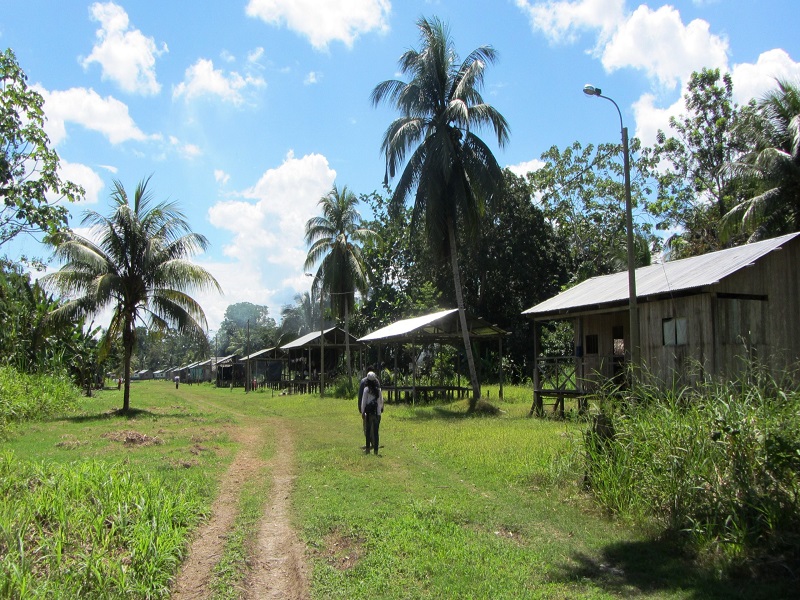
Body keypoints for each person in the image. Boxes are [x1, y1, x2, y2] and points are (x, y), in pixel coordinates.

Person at [360, 371, 384, 455]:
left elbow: (363, 401)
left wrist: (363, 412)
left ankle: (367, 450)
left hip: (369, 413)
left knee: (368, 431)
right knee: (376, 432)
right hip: (377, 413)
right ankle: (376, 451)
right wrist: (380, 410)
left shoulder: (366, 389)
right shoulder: (378, 390)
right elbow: (381, 402)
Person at [358, 366, 376, 449]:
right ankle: (374, 443)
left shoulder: (363, 382)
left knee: (367, 427)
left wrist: (361, 409)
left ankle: (370, 444)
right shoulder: (377, 382)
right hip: (375, 409)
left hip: (366, 409)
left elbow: (361, 397)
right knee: (374, 426)